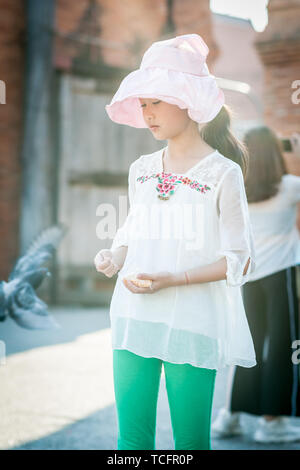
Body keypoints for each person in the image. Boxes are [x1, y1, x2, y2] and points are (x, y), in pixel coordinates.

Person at [94, 33, 257, 450]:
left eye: (157, 102)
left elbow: (239, 259)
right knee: (131, 441)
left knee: (190, 443)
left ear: (188, 100)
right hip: (133, 315)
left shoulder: (224, 172)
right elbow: (132, 233)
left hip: (193, 321)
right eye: (143, 103)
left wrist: (174, 278)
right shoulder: (142, 168)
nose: (147, 113)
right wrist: (114, 256)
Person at [211, 127, 300, 444]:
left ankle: (228, 416)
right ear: (277, 153)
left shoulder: (238, 188)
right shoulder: (289, 187)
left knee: (245, 345)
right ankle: (272, 422)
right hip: (281, 276)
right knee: (281, 347)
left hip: (246, 276)